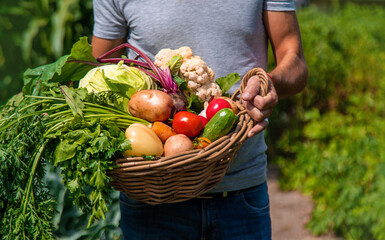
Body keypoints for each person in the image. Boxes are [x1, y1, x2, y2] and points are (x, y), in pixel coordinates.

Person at [91, 0, 308, 239]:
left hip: (241, 195)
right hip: (152, 203)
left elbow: (295, 62)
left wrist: (270, 84)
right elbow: (95, 72)